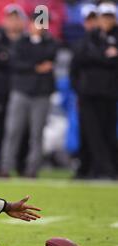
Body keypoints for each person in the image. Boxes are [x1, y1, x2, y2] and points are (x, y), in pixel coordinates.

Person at [0, 13, 58, 178]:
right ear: (30, 24)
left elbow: (49, 57)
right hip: (21, 91)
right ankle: (6, 166)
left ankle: (32, 169)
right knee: (13, 131)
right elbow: (16, 63)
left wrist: (31, 65)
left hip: (42, 93)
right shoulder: (21, 42)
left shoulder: (51, 43)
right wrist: (36, 67)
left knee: (37, 133)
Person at [70, 2, 118, 179]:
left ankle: (107, 168)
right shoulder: (90, 38)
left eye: (109, 17)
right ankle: (92, 169)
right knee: (90, 132)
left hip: (110, 94)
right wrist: (106, 57)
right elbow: (79, 59)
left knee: (107, 132)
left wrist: (98, 58)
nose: (105, 20)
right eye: (103, 17)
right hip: (88, 94)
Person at [0, 4, 26, 169]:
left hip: (22, 89)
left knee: (23, 128)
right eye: (10, 18)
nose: (13, 22)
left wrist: (10, 59)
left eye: (16, 18)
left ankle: (20, 164)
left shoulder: (28, 40)